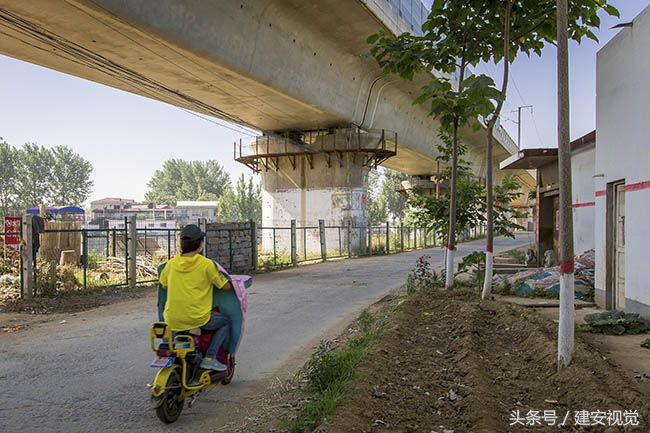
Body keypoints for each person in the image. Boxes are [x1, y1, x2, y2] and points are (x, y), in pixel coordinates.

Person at [159, 224, 232, 371]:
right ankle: (210, 357)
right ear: (200, 245)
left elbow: (164, 284)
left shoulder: (170, 264)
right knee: (225, 322)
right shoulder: (206, 264)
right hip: (199, 318)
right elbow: (225, 286)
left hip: (172, 319)